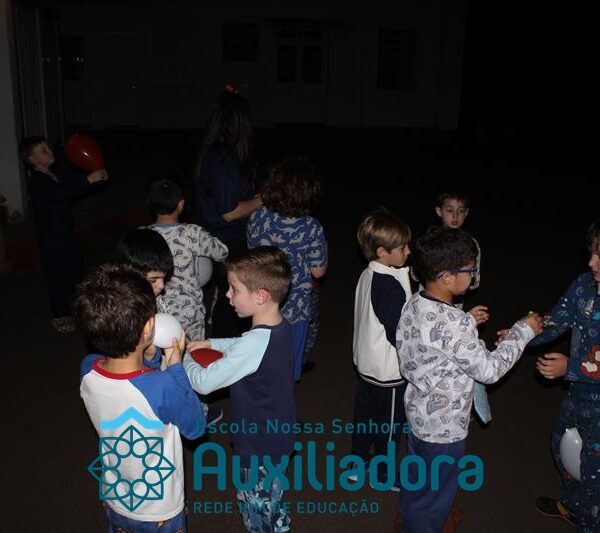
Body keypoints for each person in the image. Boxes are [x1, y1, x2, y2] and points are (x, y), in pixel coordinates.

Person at [396, 226, 542, 532]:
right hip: (444, 430)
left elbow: (439, 343)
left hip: (418, 414)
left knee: (418, 475)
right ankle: (423, 524)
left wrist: (466, 324)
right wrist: (523, 332)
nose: (474, 275)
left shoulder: (415, 303)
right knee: (436, 492)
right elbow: (488, 371)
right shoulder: (455, 323)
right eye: (470, 269)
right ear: (447, 277)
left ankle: (410, 516)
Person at [75, 263, 205, 531]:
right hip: (159, 512)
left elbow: (131, 378)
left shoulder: (87, 368)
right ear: (148, 328)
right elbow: (195, 427)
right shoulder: (163, 385)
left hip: (116, 499)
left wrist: (150, 356)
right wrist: (176, 368)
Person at [182, 246, 296, 532]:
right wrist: (212, 344)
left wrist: (182, 358)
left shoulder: (254, 343)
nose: (227, 295)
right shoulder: (279, 326)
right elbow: (242, 343)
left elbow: (203, 382)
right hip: (276, 433)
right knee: (269, 497)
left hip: (259, 443)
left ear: (261, 296)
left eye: (234, 289)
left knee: (257, 507)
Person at [531, 219, 600, 531]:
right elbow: (557, 320)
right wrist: (521, 336)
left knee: (593, 477)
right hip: (577, 396)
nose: (591, 262)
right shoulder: (584, 284)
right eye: (591, 253)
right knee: (562, 447)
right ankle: (573, 506)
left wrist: (569, 367)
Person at [117, 227, 223, 426]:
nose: (161, 286)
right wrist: (155, 358)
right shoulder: (126, 317)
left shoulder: (154, 300)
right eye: (153, 280)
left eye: (163, 278)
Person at [247, 156, 327, 381]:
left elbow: (252, 253)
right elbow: (318, 271)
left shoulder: (257, 217)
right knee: (289, 367)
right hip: (295, 308)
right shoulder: (311, 226)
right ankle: (284, 403)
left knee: (263, 360)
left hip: (261, 301)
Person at [349, 207, 412, 491]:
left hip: (367, 366)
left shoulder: (369, 273)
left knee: (364, 418)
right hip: (388, 373)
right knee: (389, 425)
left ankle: (357, 463)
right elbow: (399, 333)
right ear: (382, 251)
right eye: (402, 247)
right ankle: (383, 475)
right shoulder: (389, 287)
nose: (408, 251)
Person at [18, 135, 108, 333]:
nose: (49, 151)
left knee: (75, 270)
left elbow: (74, 188)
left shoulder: (56, 174)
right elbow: (60, 194)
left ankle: (81, 308)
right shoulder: (38, 182)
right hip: (50, 238)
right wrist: (88, 180)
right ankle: (60, 314)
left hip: (65, 234)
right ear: (32, 159)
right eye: (43, 150)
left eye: (48, 147)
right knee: (56, 275)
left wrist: (94, 180)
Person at [193, 90, 263, 337]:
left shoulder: (217, 152)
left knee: (227, 297)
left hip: (219, 237)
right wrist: (263, 199)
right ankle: (223, 350)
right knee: (232, 301)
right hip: (226, 241)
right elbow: (230, 212)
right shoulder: (222, 159)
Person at [147, 177, 228, 341]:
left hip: (155, 312)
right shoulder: (194, 233)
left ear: (150, 203)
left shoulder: (143, 236)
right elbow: (222, 252)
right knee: (193, 353)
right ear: (181, 204)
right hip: (190, 313)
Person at [435, 191, 491, 424]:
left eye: (460, 211)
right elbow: (418, 274)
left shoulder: (471, 245)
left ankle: (462, 406)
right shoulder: (430, 242)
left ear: (466, 213)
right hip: (431, 306)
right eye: (449, 210)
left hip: (457, 308)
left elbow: (474, 281)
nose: (455, 216)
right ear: (439, 211)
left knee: (458, 355)